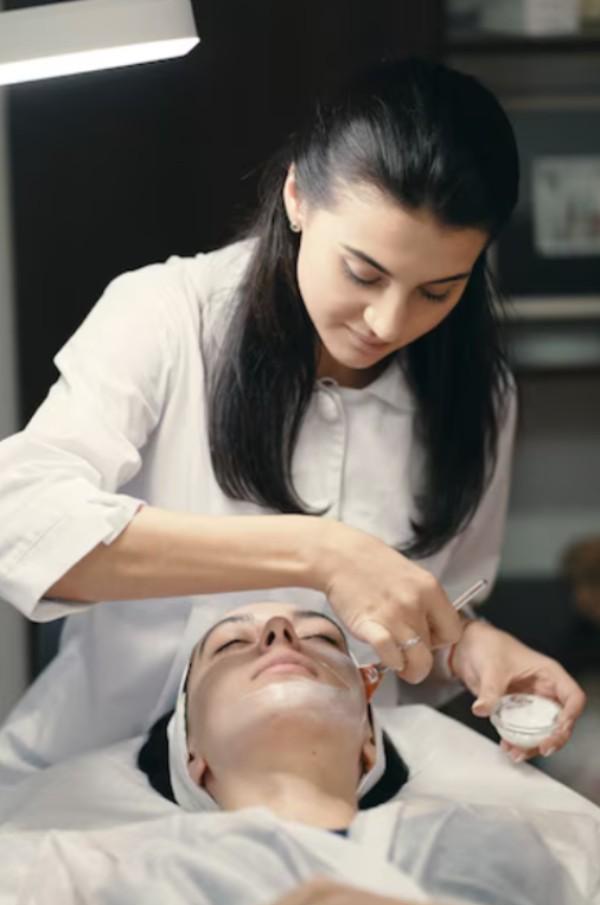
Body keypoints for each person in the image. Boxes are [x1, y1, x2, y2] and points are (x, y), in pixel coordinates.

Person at [0, 57, 584, 777]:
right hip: (100, 774)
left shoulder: (477, 394)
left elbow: (413, 632)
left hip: (328, 791)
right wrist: (319, 553)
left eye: (437, 291)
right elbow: (20, 520)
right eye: (363, 273)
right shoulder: (166, 316)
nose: (388, 321)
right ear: (297, 197)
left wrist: (465, 644)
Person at [3, 599, 599, 905]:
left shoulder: (507, 844)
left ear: (369, 742)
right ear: (193, 753)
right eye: (229, 644)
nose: (279, 634)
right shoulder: (121, 873)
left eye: (322, 639)